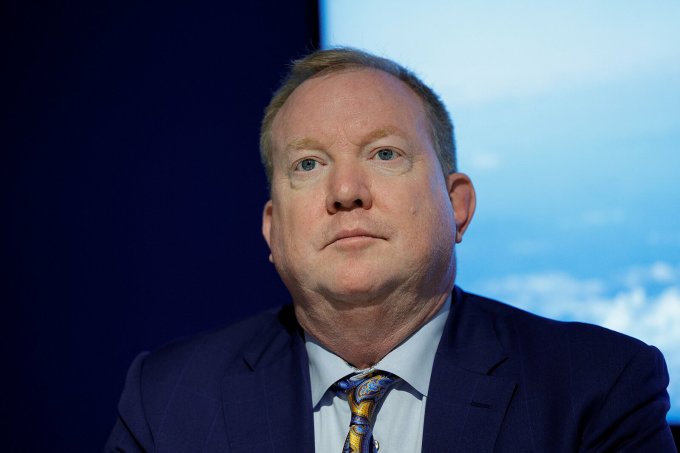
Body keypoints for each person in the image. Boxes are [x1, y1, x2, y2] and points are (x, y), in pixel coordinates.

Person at [105, 48, 676, 452]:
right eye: (308, 164)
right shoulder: (167, 399)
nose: (346, 192)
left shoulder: (597, 389)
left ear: (457, 205)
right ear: (272, 230)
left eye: (384, 154)